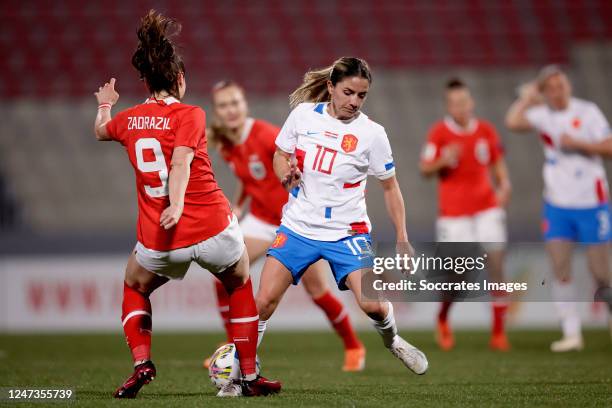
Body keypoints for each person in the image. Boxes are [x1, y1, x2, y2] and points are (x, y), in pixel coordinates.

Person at [92, 10, 280, 397]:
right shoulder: (191, 114)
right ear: (179, 79)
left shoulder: (128, 119)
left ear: (144, 80)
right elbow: (180, 162)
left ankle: (142, 362)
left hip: (160, 240)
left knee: (134, 285)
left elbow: (99, 131)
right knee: (240, 282)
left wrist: (106, 104)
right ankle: (248, 374)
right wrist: (176, 203)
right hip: (210, 226)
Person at [254, 57, 428, 375]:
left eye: (361, 96)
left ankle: (393, 341)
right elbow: (280, 155)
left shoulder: (373, 134)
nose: (354, 102)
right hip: (299, 226)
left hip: (348, 231)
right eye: (348, 92)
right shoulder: (304, 115)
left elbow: (390, 188)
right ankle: (244, 365)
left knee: (373, 305)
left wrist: (402, 236)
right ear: (331, 87)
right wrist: (285, 176)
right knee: (263, 302)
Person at [205, 81, 366, 371]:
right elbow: (251, 177)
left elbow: (297, 165)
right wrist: (239, 203)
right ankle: (234, 347)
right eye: (224, 105)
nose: (230, 110)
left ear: (245, 105)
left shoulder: (265, 135)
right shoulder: (227, 144)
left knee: (318, 291)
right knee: (224, 274)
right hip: (261, 220)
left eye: (235, 103)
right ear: (217, 111)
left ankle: (354, 345)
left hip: (295, 222)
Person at [505, 65, 612, 351]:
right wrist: (528, 98)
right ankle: (571, 333)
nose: (557, 90)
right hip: (557, 204)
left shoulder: (587, 112)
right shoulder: (543, 115)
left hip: (592, 201)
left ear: (568, 86)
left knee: (601, 273)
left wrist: (579, 143)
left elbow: (609, 146)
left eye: (560, 84)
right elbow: (513, 121)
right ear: (545, 92)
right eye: (550, 87)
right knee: (560, 266)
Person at [420, 78, 513, 351]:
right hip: (454, 214)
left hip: (486, 208)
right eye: (455, 103)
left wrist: (505, 185)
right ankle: (443, 318)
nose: (461, 107)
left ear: (471, 102)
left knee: (496, 266)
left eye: (464, 101)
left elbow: (498, 164)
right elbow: (424, 169)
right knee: (458, 276)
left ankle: (498, 333)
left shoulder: (486, 130)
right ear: (448, 106)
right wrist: (443, 160)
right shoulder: (439, 133)